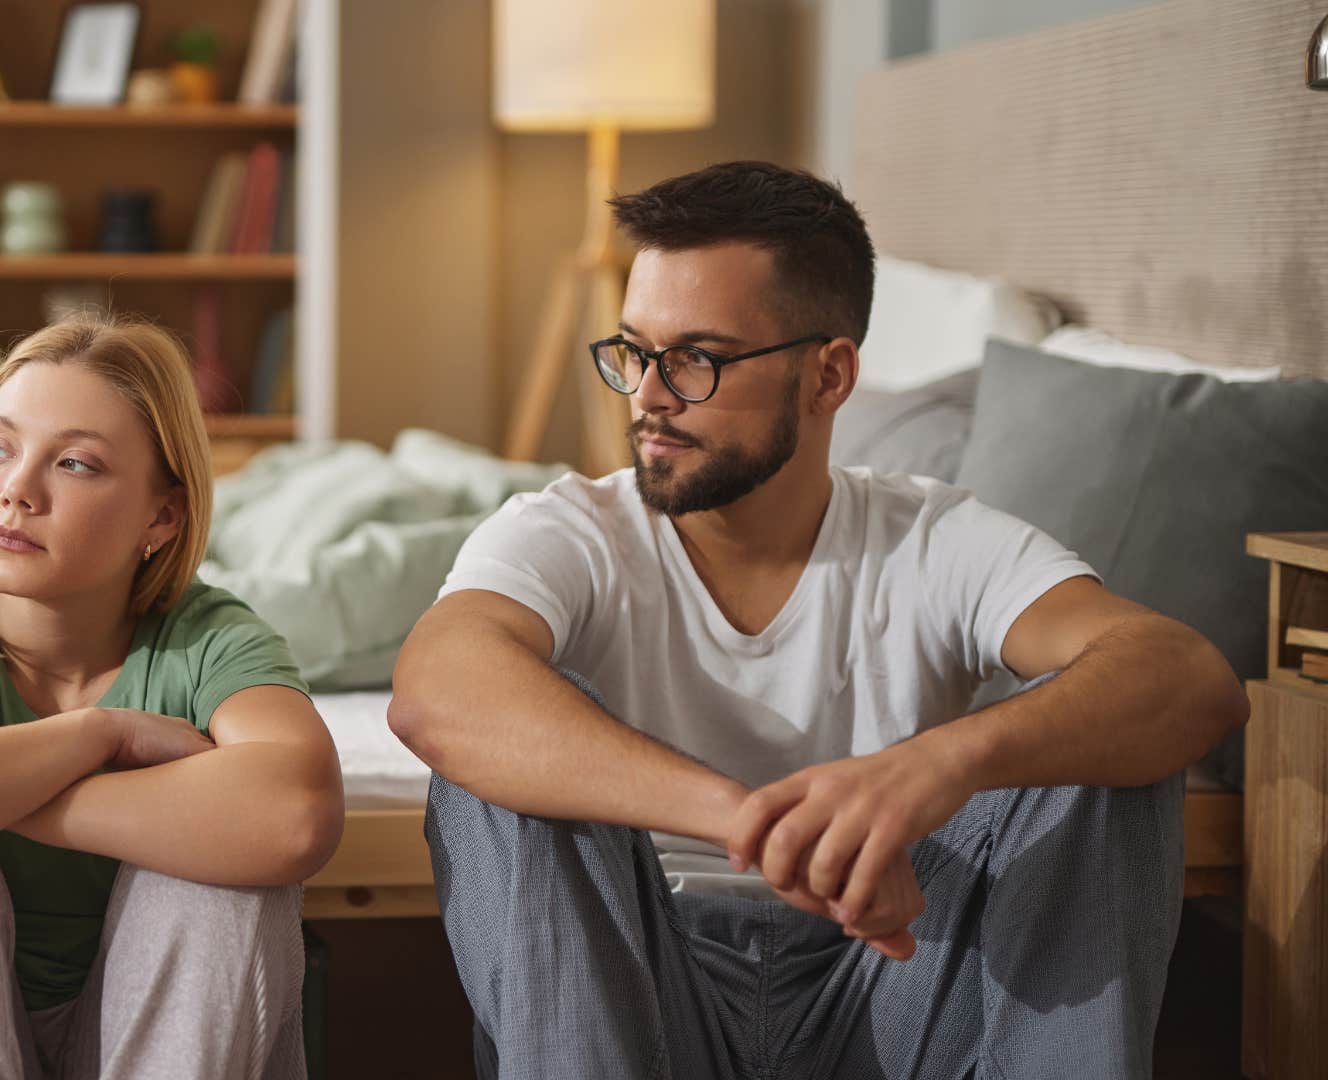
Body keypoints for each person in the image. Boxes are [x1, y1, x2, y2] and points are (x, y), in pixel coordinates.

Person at [387, 161, 1247, 1079]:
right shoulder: (570, 531)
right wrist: (754, 824)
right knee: (495, 762)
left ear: (828, 375)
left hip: (895, 971)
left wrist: (937, 764)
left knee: (1107, 742)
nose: (647, 396)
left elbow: (1187, 677)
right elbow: (438, 691)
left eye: (697, 359)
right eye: (635, 351)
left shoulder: (933, 536)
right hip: (641, 990)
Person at [0, 313, 343, 1080]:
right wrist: (100, 736)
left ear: (162, 513)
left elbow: (294, 814)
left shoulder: (210, 641)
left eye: (74, 464)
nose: (15, 489)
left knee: (225, 886)